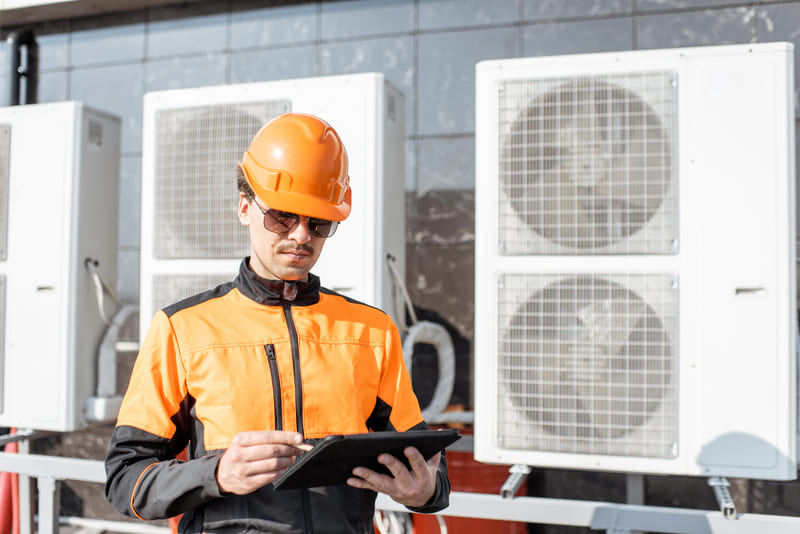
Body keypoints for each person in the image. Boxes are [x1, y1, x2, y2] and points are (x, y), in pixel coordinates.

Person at [104, 112, 451, 533]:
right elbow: (125, 481)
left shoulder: (371, 332)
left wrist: (426, 491)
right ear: (245, 207)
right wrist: (216, 474)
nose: (302, 235)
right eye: (283, 216)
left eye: (319, 222)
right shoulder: (182, 329)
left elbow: (428, 466)